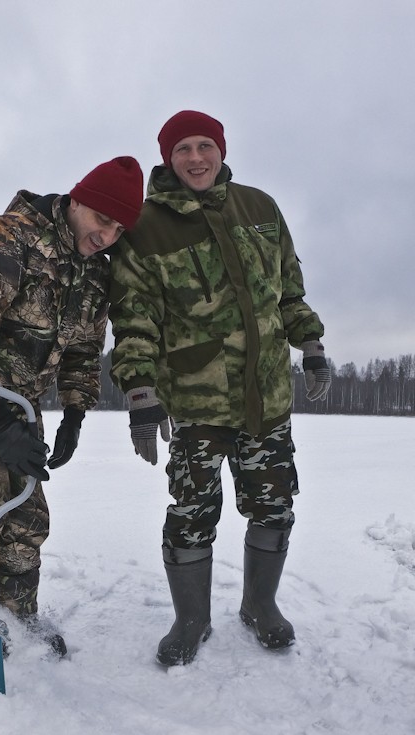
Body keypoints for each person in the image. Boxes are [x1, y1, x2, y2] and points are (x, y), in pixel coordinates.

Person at [108, 111, 331, 666]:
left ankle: (260, 606)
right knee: (190, 511)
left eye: (205, 145)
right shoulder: (144, 225)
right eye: (182, 148)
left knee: (273, 505)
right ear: (168, 158)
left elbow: (289, 291)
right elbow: (134, 320)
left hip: (267, 398)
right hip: (196, 402)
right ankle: (192, 619)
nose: (196, 157)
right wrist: (140, 396)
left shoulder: (259, 208)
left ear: (221, 149)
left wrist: (313, 346)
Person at [0, 155, 144, 659]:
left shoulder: (94, 273)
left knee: (28, 517)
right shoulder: (7, 239)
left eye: (119, 228)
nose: (108, 235)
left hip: (22, 403)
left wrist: (75, 412)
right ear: (77, 199)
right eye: (102, 220)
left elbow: (84, 350)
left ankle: (19, 611)